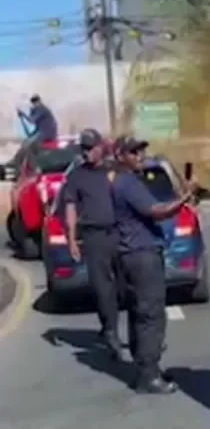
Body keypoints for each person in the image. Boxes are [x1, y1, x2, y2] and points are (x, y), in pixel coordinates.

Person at [111, 135, 193, 394]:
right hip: (141, 254)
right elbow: (156, 211)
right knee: (151, 313)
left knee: (140, 311)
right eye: (133, 152)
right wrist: (185, 198)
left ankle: (145, 368)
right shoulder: (127, 183)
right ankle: (149, 374)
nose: (140, 155)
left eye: (141, 151)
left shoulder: (128, 180)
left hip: (134, 253)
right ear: (120, 156)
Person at [62, 128, 122, 359]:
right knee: (102, 287)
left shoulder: (114, 171)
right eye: (83, 149)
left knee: (125, 286)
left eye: (90, 148)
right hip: (94, 237)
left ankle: (138, 337)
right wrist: (71, 239)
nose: (86, 153)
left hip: (119, 233)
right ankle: (110, 332)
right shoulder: (76, 176)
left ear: (100, 148)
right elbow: (70, 207)